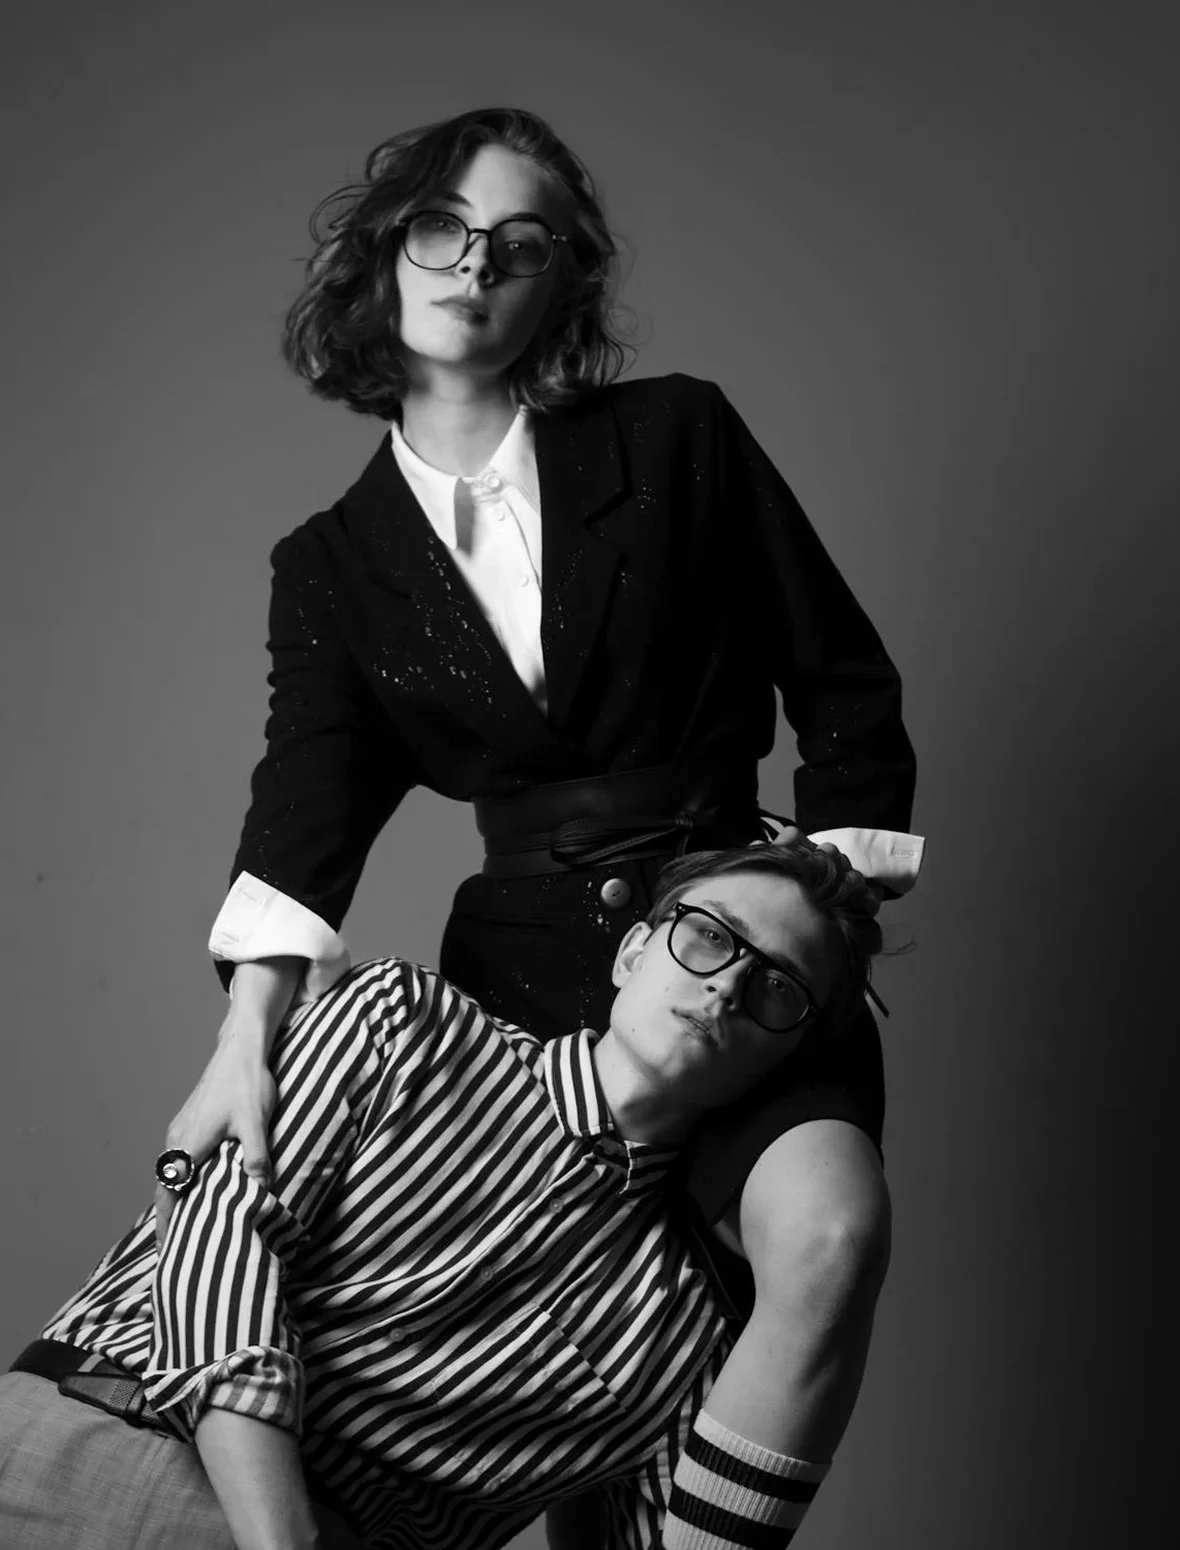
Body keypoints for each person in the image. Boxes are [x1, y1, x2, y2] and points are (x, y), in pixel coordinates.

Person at [155, 107, 920, 1546]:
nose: (474, 265)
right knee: (581, 1377)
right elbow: (305, 802)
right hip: (521, 986)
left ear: (565, 279)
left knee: (825, 1235)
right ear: (384, 254)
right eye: (441, 228)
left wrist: (817, 908)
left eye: (521, 242)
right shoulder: (329, 566)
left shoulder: (678, 433)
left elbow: (842, 680)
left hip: (731, 941)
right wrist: (243, 1034)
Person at [4, 842, 889, 1550]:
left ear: (789, 1057)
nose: (727, 985)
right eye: (709, 936)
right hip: (89, 1449)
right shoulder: (404, 1020)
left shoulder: (688, 1335)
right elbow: (218, 1247)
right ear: (631, 953)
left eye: (778, 986)